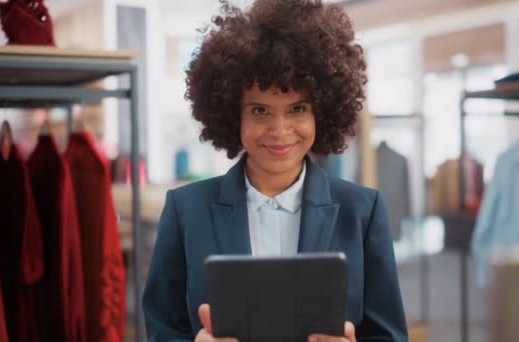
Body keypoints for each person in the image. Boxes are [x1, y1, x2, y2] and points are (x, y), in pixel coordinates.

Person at [142, 0, 407, 341]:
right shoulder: (185, 211)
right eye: (260, 111)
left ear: (321, 112)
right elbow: (162, 330)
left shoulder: (362, 212)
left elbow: (390, 336)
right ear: (232, 115)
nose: (280, 130)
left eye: (297, 108)